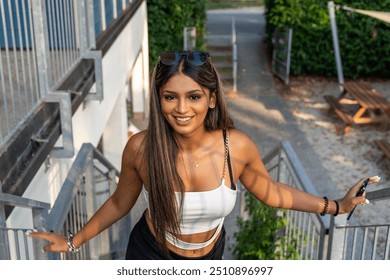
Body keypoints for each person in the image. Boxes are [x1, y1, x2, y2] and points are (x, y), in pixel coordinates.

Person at [29, 50, 380, 260]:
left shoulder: (236, 145)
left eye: (193, 96)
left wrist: (337, 206)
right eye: (170, 97)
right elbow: (120, 204)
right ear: (159, 99)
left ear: (211, 99)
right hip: (151, 254)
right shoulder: (141, 148)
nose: (181, 108)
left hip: (212, 255)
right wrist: (72, 241)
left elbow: (272, 193)